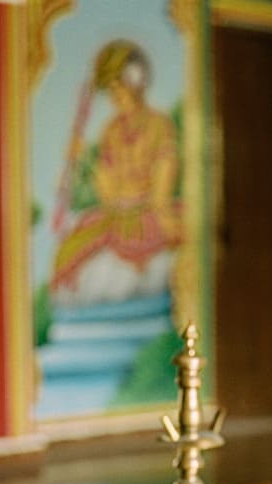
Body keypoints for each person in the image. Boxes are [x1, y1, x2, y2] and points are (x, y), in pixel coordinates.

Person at [50, 39, 181, 306]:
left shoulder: (159, 125)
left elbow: (161, 189)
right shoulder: (111, 130)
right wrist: (84, 160)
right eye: (110, 88)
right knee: (67, 255)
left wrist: (154, 211)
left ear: (137, 80)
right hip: (115, 217)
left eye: (118, 86)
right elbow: (107, 190)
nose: (114, 95)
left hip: (151, 215)